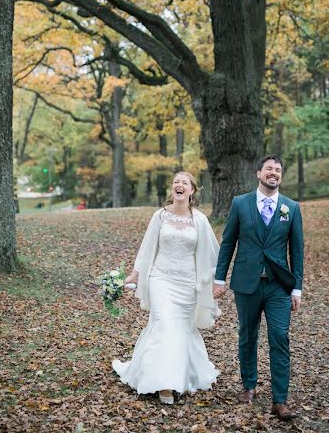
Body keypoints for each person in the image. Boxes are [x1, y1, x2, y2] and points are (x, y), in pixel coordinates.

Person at [112, 171, 220, 405]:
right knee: (164, 324)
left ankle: (182, 374)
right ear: (172, 189)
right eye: (176, 182)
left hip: (187, 284)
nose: (179, 185)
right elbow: (146, 248)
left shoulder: (199, 220)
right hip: (160, 279)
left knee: (182, 328)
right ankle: (164, 383)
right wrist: (133, 275)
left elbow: (211, 255)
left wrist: (212, 283)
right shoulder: (159, 217)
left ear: (192, 191)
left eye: (184, 183)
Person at [213, 155, 303, 422]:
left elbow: (297, 251)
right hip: (246, 282)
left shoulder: (291, 207)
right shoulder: (240, 203)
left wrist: (297, 288)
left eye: (277, 170)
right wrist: (220, 278)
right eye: (269, 169)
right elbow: (228, 242)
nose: (273, 173)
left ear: (281, 176)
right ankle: (249, 385)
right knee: (247, 334)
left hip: (278, 286)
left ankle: (280, 400)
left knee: (279, 337)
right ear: (258, 173)